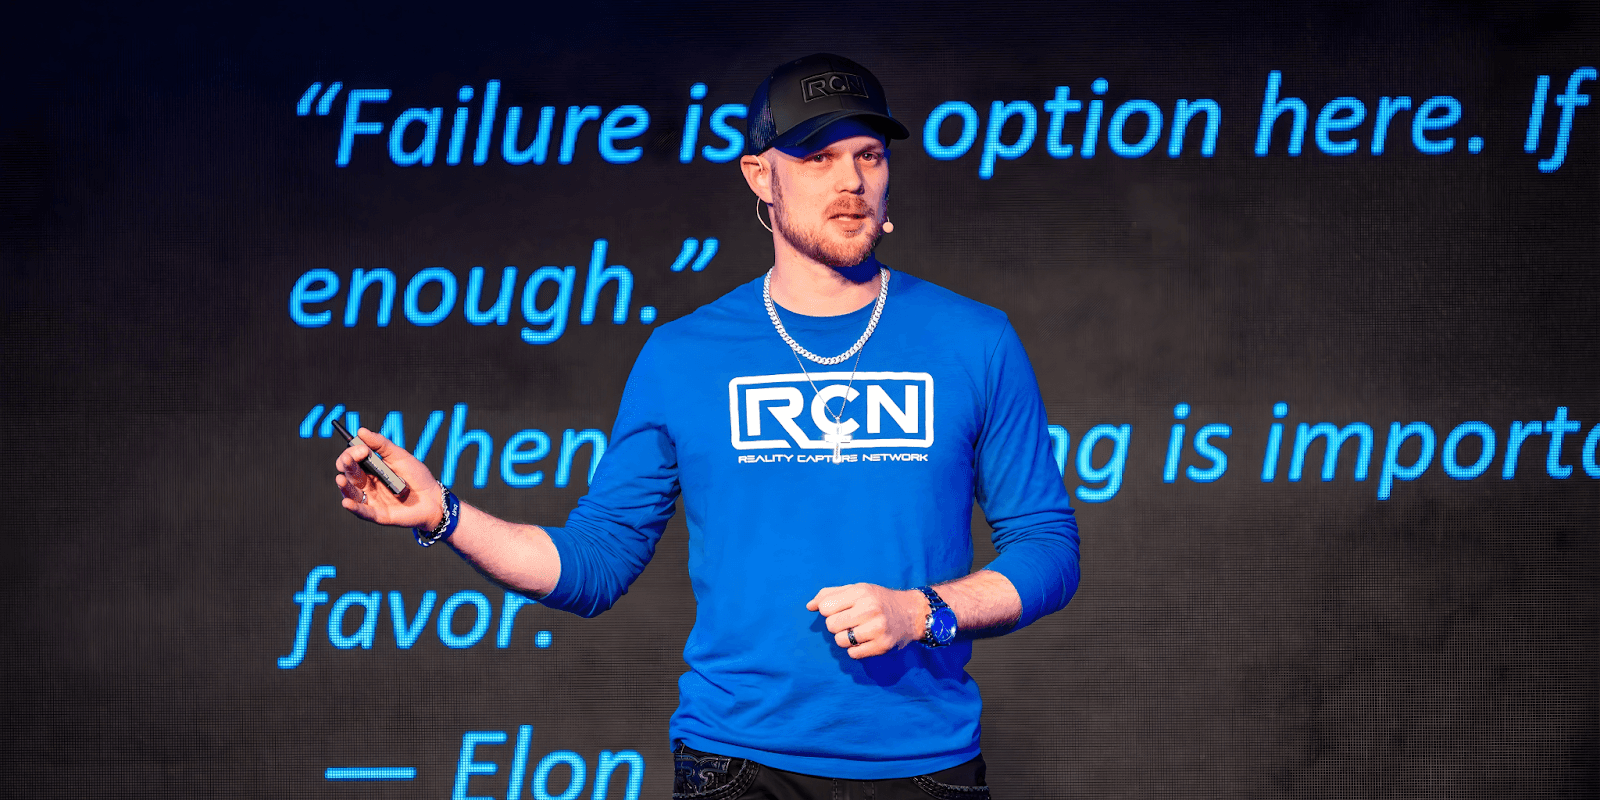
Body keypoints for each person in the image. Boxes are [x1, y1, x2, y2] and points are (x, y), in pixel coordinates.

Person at [334, 53, 1080, 800]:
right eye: (818, 158)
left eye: (869, 156)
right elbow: (596, 563)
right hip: (736, 768)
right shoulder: (684, 356)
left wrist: (922, 611)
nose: (851, 182)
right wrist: (445, 516)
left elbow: (1048, 550)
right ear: (761, 177)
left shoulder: (974, 340)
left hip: (925, 767)